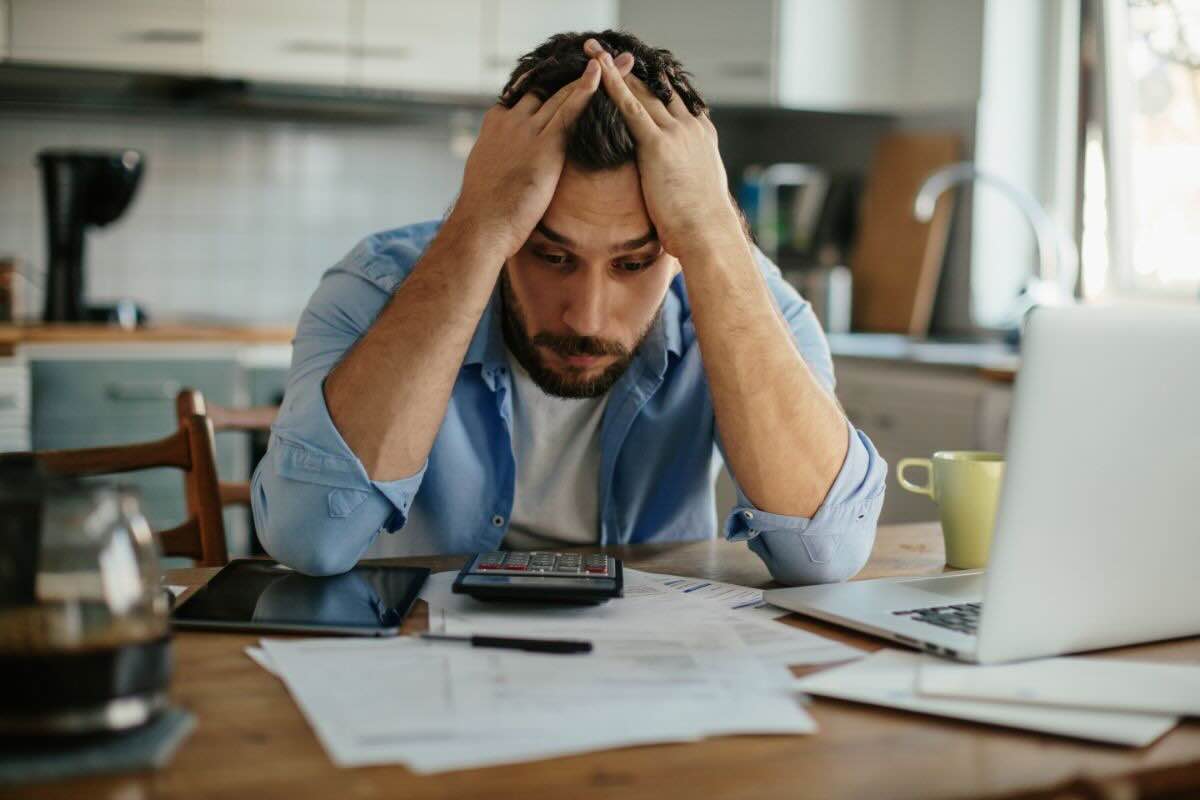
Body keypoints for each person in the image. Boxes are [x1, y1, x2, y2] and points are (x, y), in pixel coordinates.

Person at [251, 31, 887, 584]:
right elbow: (312, 540)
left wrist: (715, 233)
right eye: (550, 256)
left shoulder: (745, 297)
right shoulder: (376, 285)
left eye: (634, 263)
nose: (585, 318)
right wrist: (477, 229)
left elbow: (823, 552)